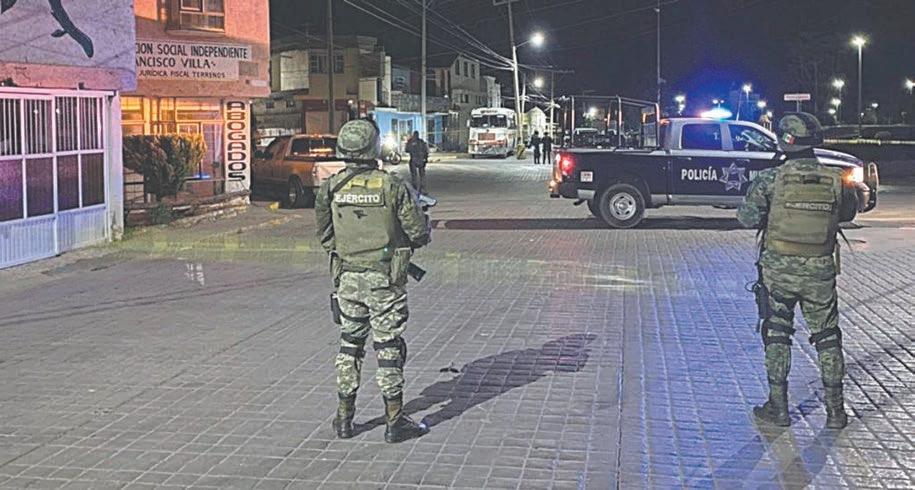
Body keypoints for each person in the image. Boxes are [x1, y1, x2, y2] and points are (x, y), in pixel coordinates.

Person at [737, 112, 858, 430]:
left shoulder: (770, 178)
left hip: (778, 271)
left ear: (784, 141)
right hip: (820, 270)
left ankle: (778, 408)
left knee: (777, 332)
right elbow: (847, 213)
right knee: (828, 336)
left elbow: (747, 218)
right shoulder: (836, 178)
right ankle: (836, 412)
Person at [315, 119, 432, 443]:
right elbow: (418, 234)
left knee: (350, 345)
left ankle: (344, 419)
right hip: (385, 281)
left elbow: (325, 235)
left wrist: (349, 251)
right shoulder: (392, 186)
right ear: (374, 148)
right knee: (388, 347)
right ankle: (394, 421)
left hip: (347, 279)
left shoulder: (331, 187)